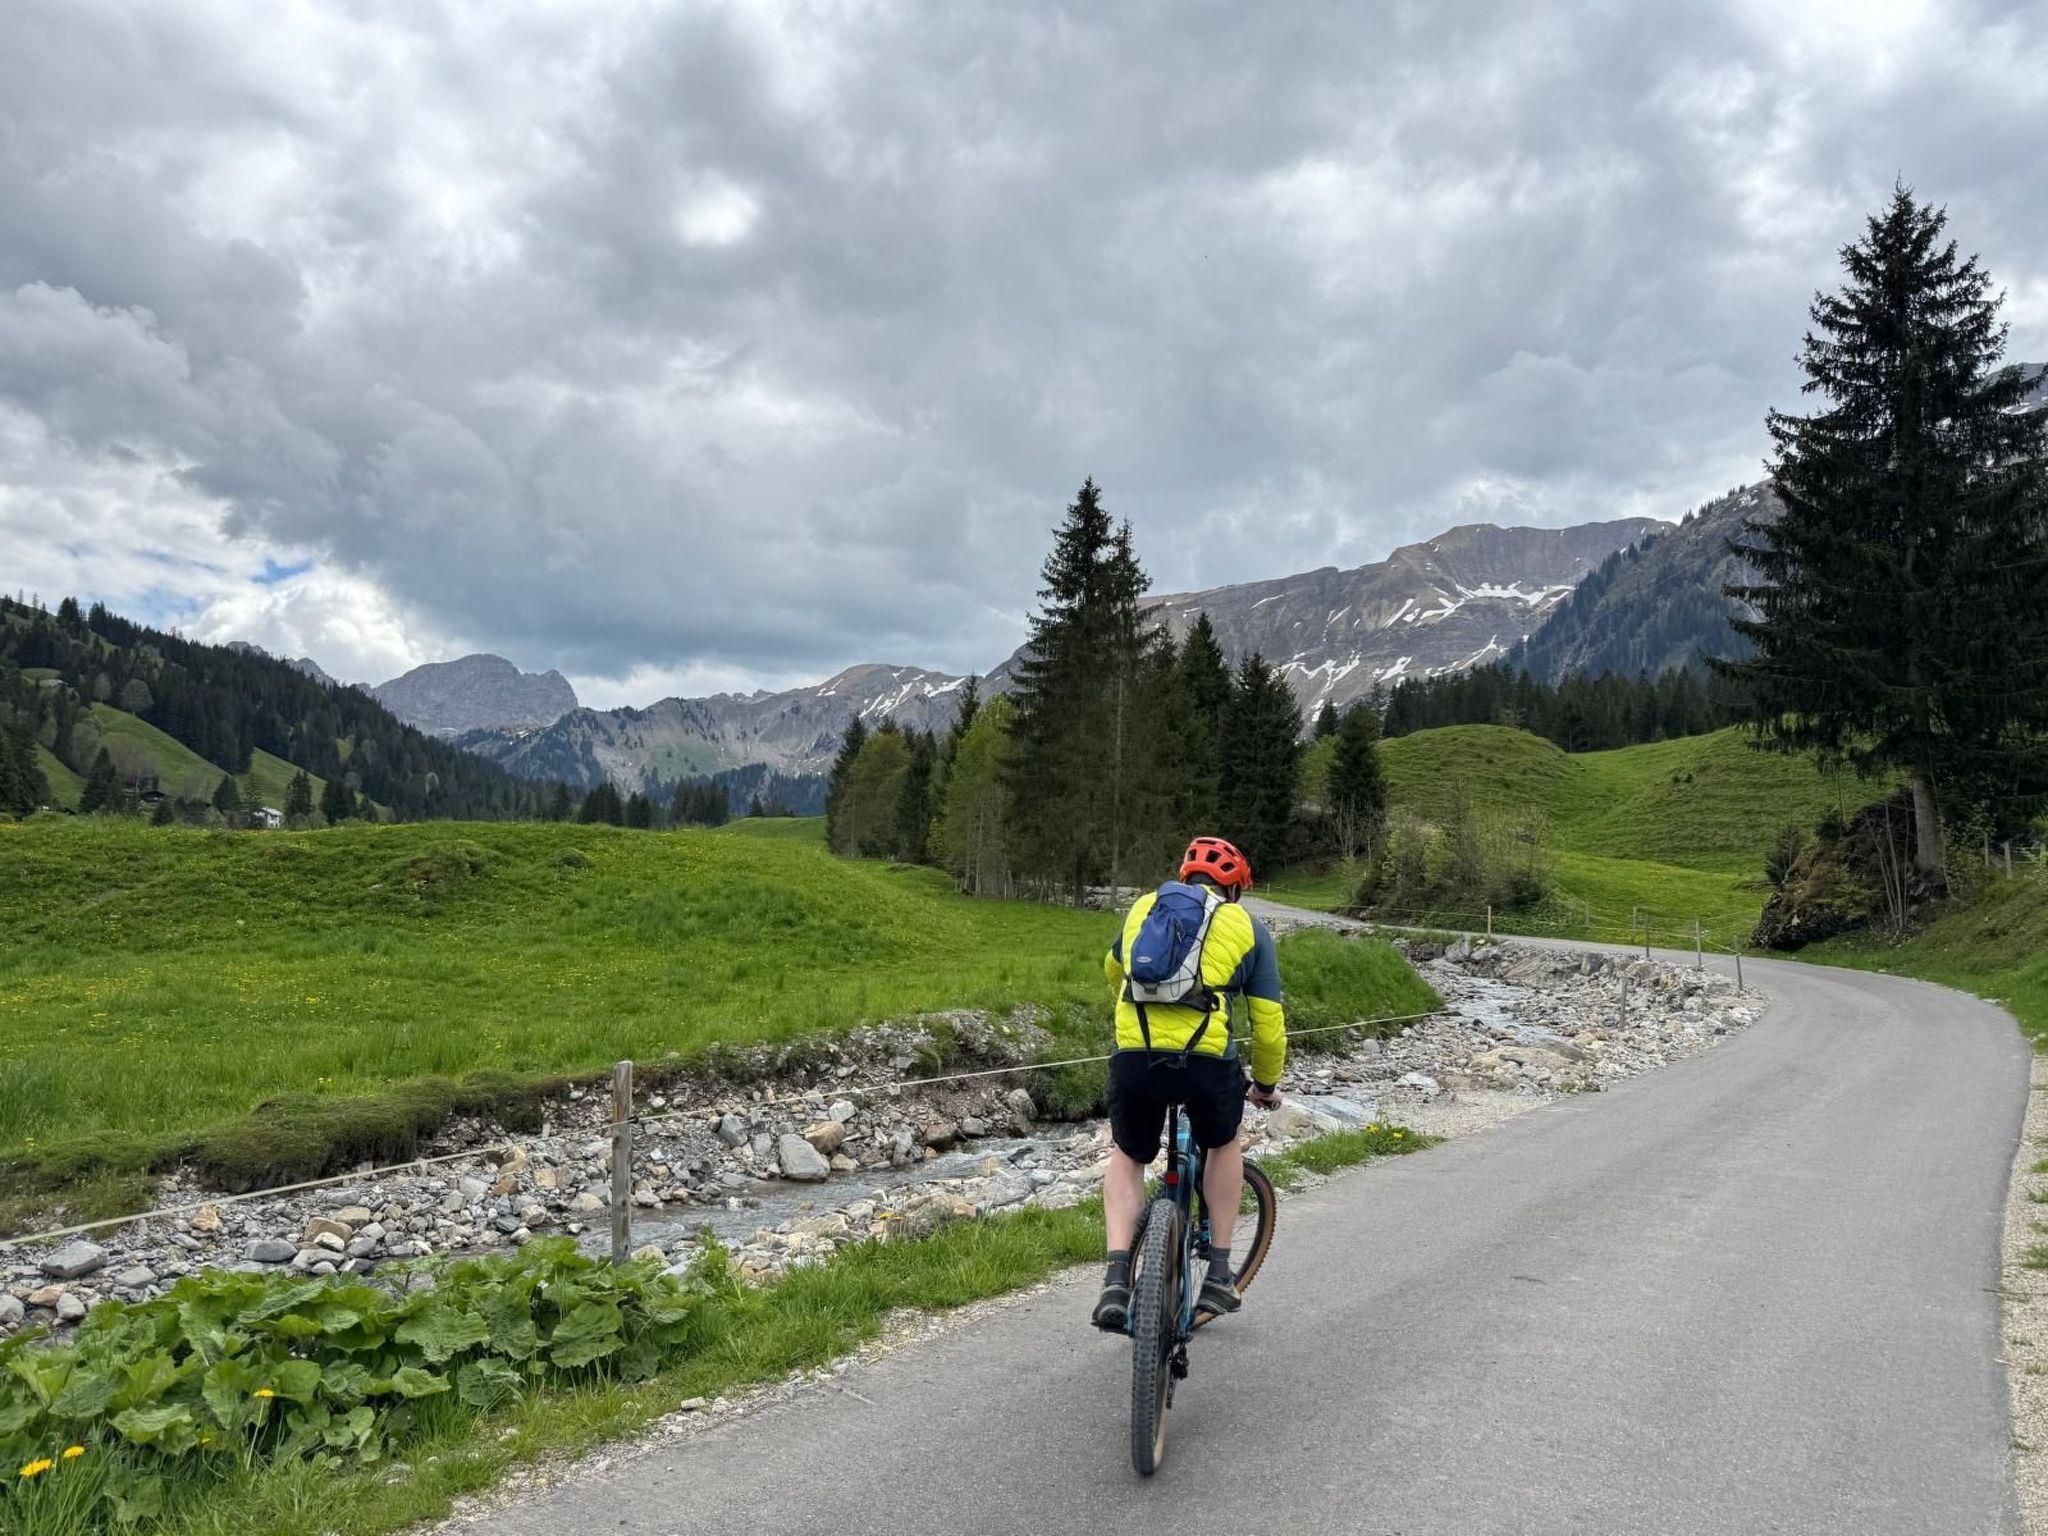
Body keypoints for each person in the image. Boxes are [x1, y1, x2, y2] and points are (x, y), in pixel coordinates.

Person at [1093, 835, 1285, 1330]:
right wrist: (1265, 1084)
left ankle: (1115, 1279)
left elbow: (1113, 971)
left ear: (1184, 879)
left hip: (1135, 1058)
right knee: (1222, 1143)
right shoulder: (1246, 927)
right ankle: (1219, 1273)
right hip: (1206, 1063)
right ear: (1234, 889)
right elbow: (1268, 1024)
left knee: (1129, 1154)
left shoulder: (1143, 909)